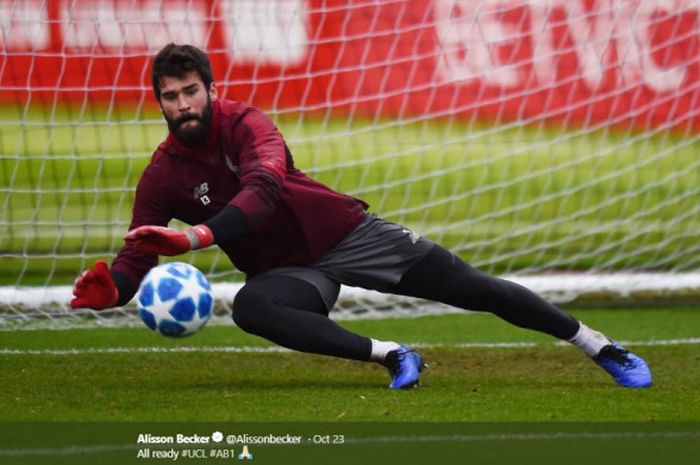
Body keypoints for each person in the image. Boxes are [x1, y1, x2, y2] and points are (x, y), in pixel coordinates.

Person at [71, 43, 652, 389]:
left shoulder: (248, 124)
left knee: (475, 289)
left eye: (191, 91)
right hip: (291, 270)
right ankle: (392, 354)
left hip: (346, 234)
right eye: (170, 97)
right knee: (253, 307)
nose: (183, 105)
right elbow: (136, 255)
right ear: (159, 103)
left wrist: (197, 236)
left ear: (211, 89)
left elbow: (263, 189)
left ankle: (598, 345)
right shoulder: (162, 172)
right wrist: (114, 290)